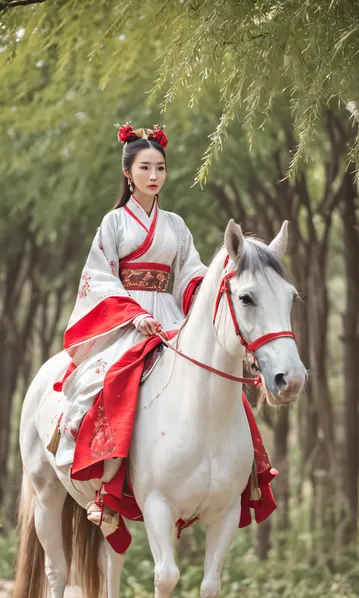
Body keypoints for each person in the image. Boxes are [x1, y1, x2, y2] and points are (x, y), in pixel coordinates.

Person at [53, 123, 276, 553]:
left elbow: (193, 272)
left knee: (218, 385)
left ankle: (243, 472)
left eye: (160, 168)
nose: (154, 175)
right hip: (125, 317)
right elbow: (98, 276)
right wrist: (133, 315)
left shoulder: (174, 224)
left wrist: (200, 295)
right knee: (106, 382)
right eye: (145, 168)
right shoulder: (113, 222)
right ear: (128, 174)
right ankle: (105, 490)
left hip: (169, 315)